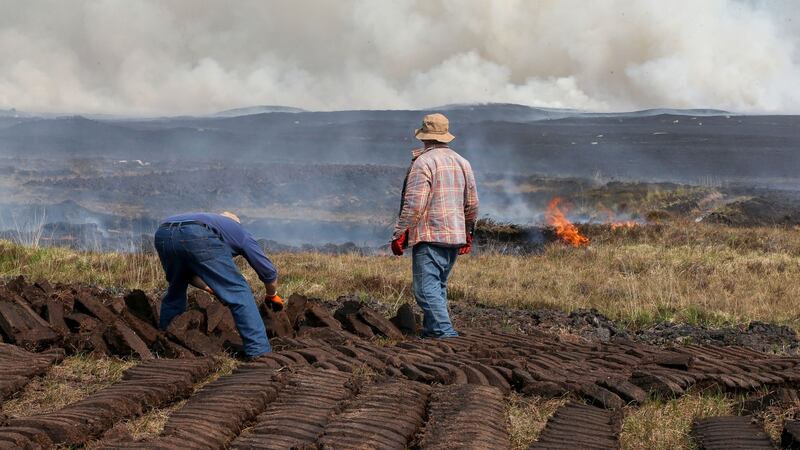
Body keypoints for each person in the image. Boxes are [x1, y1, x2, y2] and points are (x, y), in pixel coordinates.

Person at [391, 113, 479, 338]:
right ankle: (432, 330)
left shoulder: (424, 162)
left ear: (424, 137)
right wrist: (468, 232)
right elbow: (472, 203)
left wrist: (400, 233)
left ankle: (444, 332)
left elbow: (414, 204)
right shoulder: (463, 162)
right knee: (438, 285)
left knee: (425, 289)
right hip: (454, 235)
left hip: (430, 235)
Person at [154, 211, 281, 358]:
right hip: (196, 232)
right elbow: (267, 271)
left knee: (176, 288)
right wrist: (272, 295)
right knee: (239, 292)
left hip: (163, 233)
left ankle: (167, 343)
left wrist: (212, 289)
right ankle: (259, 352)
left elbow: (188, 275)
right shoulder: (238, 230)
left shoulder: (213, 222)